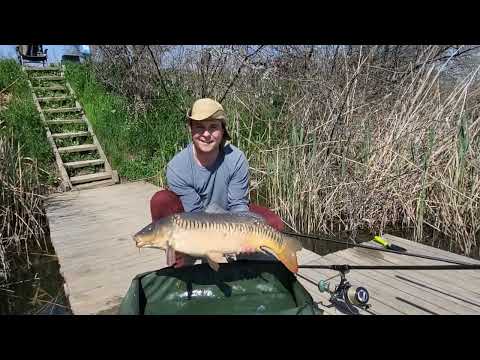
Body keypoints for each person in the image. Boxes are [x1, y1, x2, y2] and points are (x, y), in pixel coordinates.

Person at [150, 98, 284, 267]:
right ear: (190, 129)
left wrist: (244, 234)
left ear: (222, 130)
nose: (206, 134)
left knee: (273, 223)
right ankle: (181, 258)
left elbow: (238, 204)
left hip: (230, 215)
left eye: (213, 127)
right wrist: (210, 246)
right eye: (199, 127)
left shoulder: (236, 158)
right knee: (160, 200)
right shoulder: (177, 167)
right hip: (193, 219)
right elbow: (196, 214)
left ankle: (245, 255)